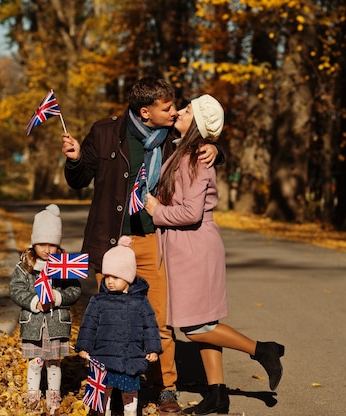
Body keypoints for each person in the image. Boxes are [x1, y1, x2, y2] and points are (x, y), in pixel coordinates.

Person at [61, 76, 222, 413]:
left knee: (159, 321)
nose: (175, 112)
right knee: (110, 320)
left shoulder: (172, 141)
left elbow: (200, 151)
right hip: (110, 244)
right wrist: (75, 158)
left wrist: (216, 150)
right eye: (167, 108)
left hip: (153, 240)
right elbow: (78, 180)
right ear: (145, 112)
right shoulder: (105, 132)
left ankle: (166, 389)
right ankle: (107, 390)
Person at [145, 95, 285, 415]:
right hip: (186, 247)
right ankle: (218, 395)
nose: (178, 112)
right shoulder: (184, 151)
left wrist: (156, 210)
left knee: (194, 327)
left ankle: (263, 350)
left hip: (194, 246)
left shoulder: (194, 158)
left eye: (187, 110)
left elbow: (191, 212)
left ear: (198, 122)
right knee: (203, 323)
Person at [75, 236, 163, 416]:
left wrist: (153, 348)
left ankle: (130, 413)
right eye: (107, 276)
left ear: (128, 277)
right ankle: (103, 412)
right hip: (104, 356)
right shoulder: (99, 300)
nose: (109, 281)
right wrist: (84, 346)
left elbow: (150, 326)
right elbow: (89, 325)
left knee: (129, 392)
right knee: (104, 389)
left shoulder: (140, 301)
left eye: (115, 276)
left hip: (130, 356)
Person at [9, 204, 82, 415]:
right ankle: (33, 394)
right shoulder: (26, 266)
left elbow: (75, 290)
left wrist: (59, 297)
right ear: (34, 243)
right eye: (43, 244)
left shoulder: (64, 265)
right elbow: (16, 289)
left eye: (53, 244)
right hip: (34, 324)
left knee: (54, 364)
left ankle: (54, 396)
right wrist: (33, 301)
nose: (48, 249)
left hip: (55, 324)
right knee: (35, 362)